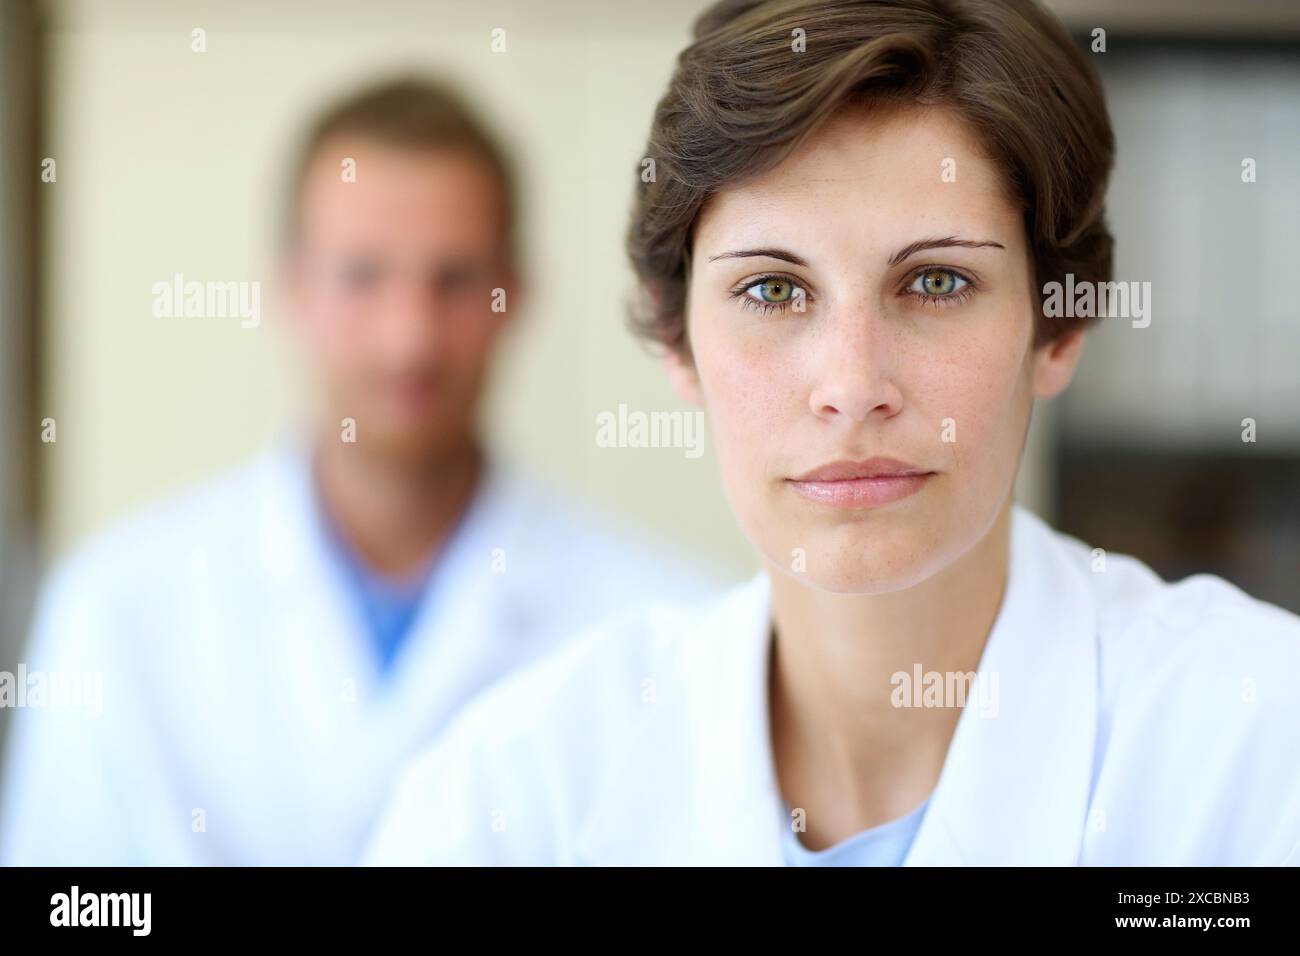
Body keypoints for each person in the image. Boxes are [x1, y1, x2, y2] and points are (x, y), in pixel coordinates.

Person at [361, 0, 1300, 866]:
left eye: (936, 282)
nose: (853, 387)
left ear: (1056, 331)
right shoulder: (510, 795)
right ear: (675, 336)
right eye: (773, 290)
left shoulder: (1254, 750)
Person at [0, 77, 712, 865]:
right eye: (363, 276)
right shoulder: (117, 607)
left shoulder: (664, 629)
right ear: (293, 290)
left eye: (455, 280)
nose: (409, 340)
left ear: (517, 295)